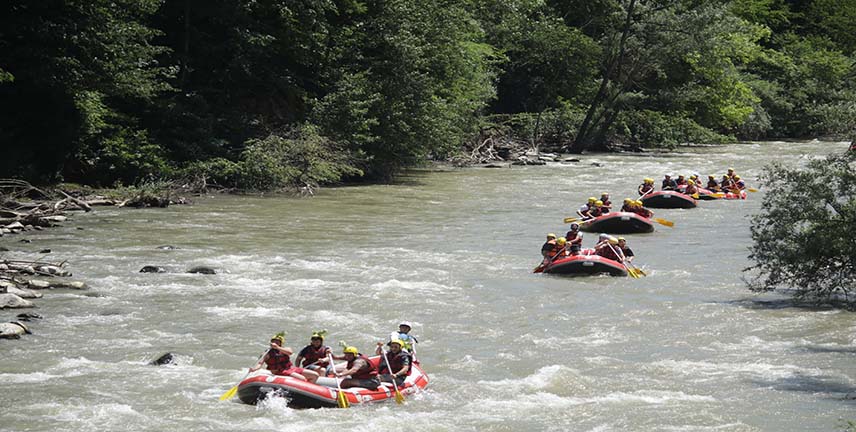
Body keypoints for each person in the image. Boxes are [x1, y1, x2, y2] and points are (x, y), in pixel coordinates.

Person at [250, 333, 320, 383]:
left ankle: (307, 389)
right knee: (302, 379)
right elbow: (260, 363)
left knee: (315, 375)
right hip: (279, 371)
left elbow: (290, 352)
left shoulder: (285, 349)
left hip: (290, 368)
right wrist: (254, 369)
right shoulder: (267, 353)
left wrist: (277, 347)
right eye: (273, 341)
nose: (275, 343)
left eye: (277, 342)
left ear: (280, 343)